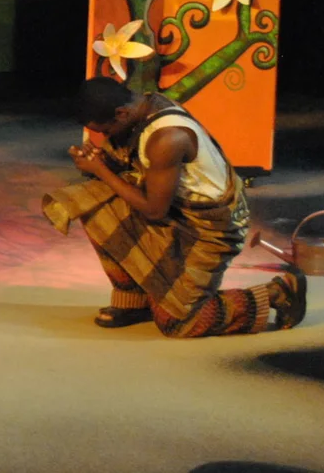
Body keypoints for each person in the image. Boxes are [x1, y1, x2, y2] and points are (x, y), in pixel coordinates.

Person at [43, 77, 305, 336]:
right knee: (89, 202)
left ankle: (276, 293)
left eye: (105, 130)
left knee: (180, 323)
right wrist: (104, 164)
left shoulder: (167, 138)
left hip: (210, 230)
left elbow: (154, 210)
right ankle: (133, 302)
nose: (104, 137)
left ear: (121, 113)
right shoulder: (143, 106)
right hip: (176, 213)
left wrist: (101, 170)